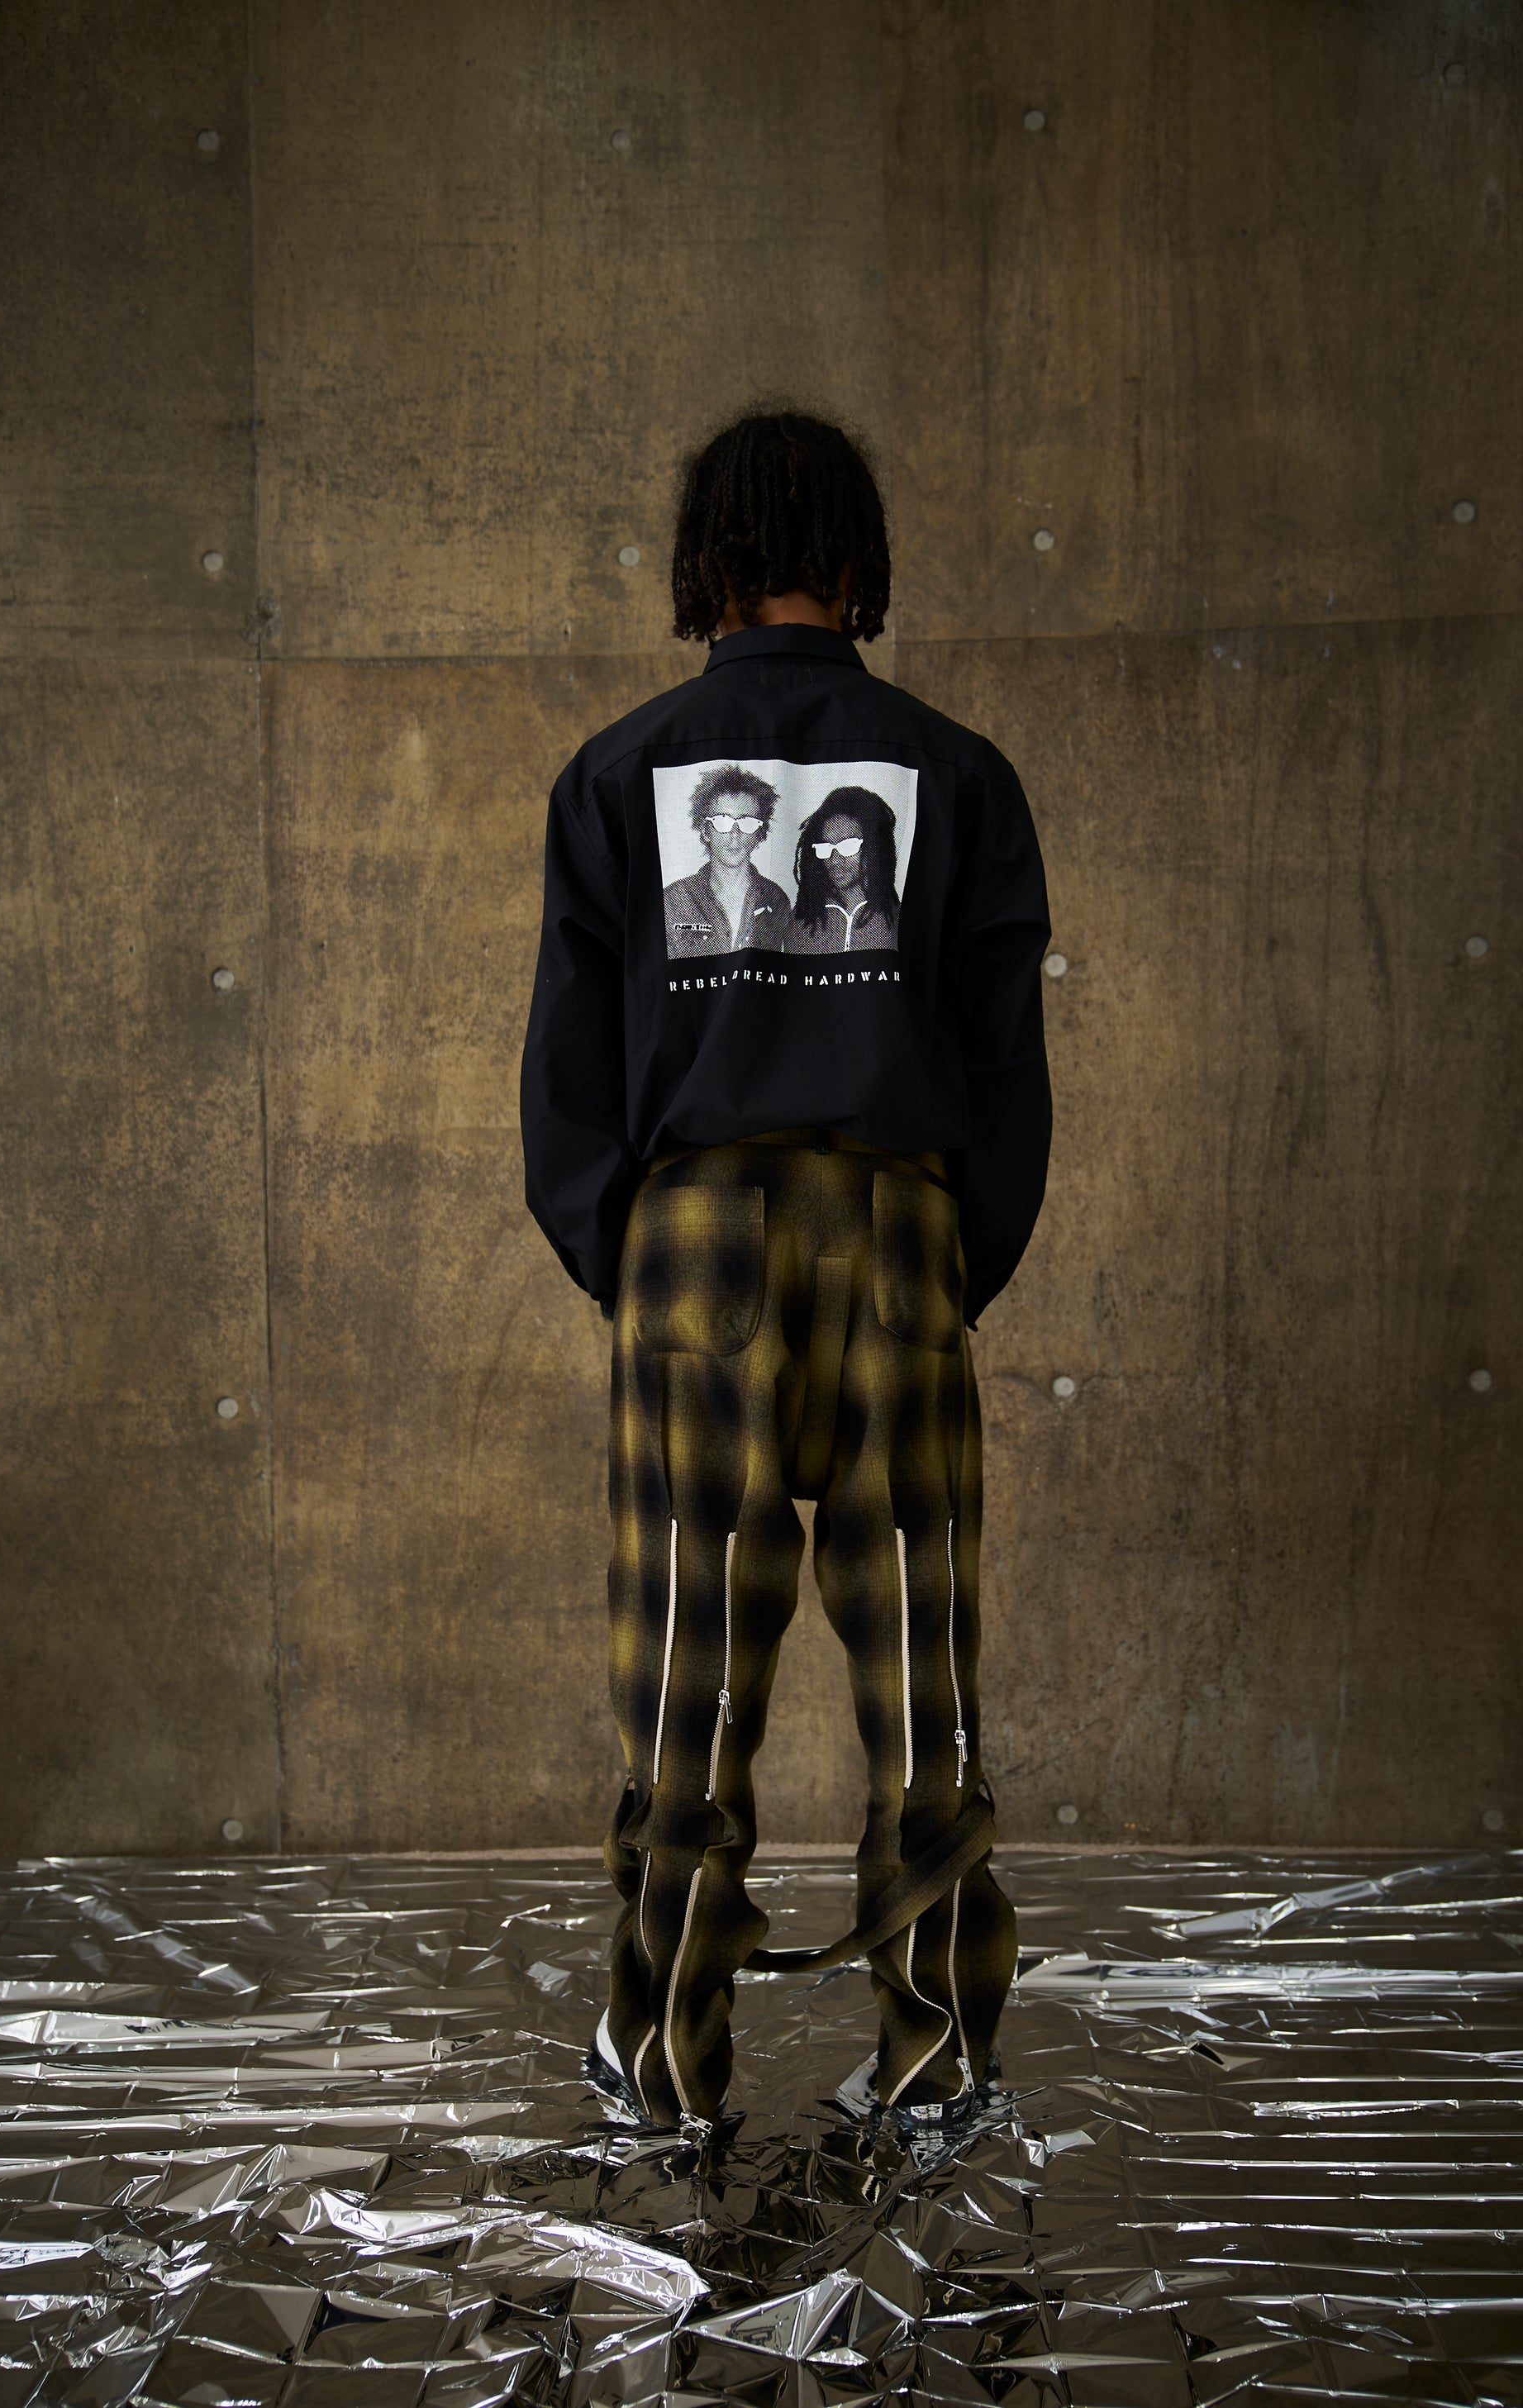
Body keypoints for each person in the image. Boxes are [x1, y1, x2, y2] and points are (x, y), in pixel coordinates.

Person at [520, 408, 1052, 2146]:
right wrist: (950, 1259)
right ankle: (938, 2056)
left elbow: (567, 1072)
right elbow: (1006, 1070)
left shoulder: (616, 769)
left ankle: (665, 2057)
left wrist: (631, 1260)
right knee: (921, 1666)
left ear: (712, 558)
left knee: (686, 1668)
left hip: (692, 1246)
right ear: (853, 555)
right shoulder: (959, 771)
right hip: (900, 1230)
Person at [663, 764, 791, 959]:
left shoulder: (775, 899)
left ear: (759, 834)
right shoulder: (673, 900)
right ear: (705, 831)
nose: (735, 835)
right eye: (723, 821)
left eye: (747, 823)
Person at [787, 786, 900, 954]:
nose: (835, 860)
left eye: (848, 846)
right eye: (826, 847)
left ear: (873, 846)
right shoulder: (803, 920)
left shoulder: (897, 919)